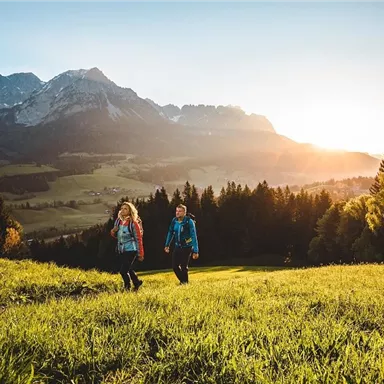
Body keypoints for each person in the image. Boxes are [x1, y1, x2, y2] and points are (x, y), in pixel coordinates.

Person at [110, 202, 144, 291]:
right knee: (128, 268)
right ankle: (137, 282)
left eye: (126, 209)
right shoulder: (118, 221)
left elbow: (138, 238)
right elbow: (117, 236)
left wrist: (140, 253)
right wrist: (113, 231)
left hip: (131, 250)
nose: (123, 210)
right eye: (122, 208)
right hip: (121, 249)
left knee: (123, 271)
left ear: (130, 211)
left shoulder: (133, 223)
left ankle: (127, 287)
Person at [164, 204, 199, 284]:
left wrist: (196, 251)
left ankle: (184, 283)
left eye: (180, 211)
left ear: (184, 212)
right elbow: (170, 232)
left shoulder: (189, 222)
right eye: (176, 211)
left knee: (183, 266)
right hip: (178, 246)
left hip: (187, 246)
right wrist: (167, 245)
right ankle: (183, 282)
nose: (177, 213)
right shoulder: (174, 221)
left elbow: (194, 236)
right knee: (174, 266)